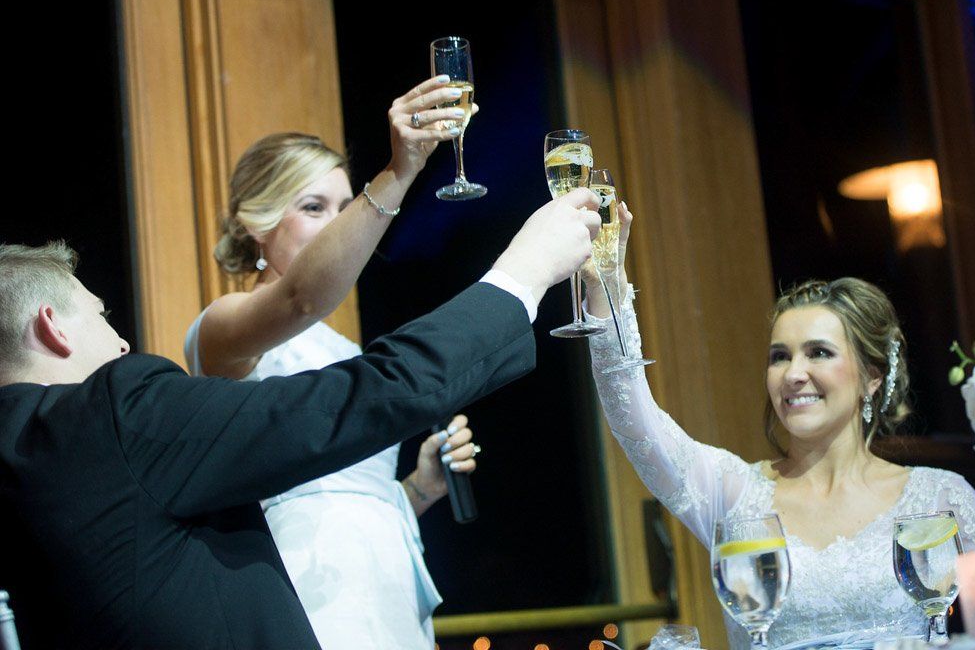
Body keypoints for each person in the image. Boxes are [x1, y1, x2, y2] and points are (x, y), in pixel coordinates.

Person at [0, 187, 600, 650]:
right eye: (101, 317)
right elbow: (360, 397)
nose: (123, 342)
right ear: (52, 325)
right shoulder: (112, 414)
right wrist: (522, 275)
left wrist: (413, 491)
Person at [582, 205, 975, 649]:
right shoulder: (734, 492)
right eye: (780, 356)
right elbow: (631, 414)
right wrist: (605, 284)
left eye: (818, 353)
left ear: (871, 376)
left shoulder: (941, 497)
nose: (793, 374)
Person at [183, 76, 477, 649]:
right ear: (257, 223)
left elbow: (351, 509)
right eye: (315, 208)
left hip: (386, 595)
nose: (342, 225)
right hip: (302, 598)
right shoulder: (222, 329)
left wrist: (418, 488)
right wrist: (400, 171)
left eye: (347, 208)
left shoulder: (348, 354)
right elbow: (302, 299)